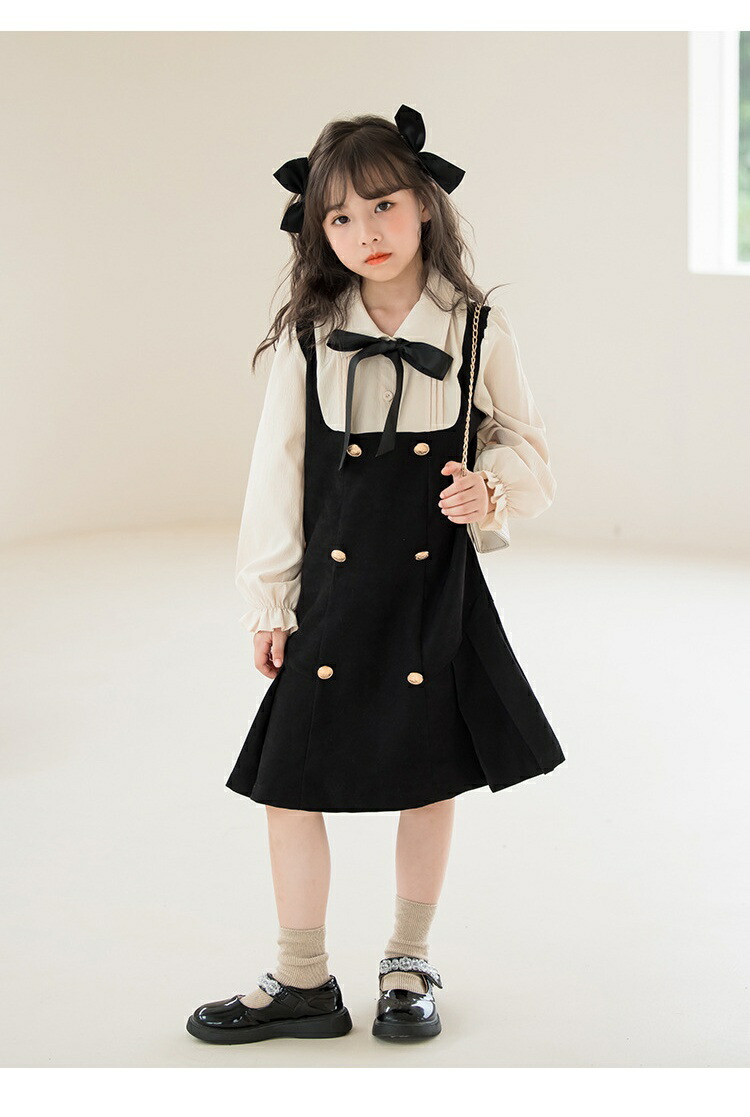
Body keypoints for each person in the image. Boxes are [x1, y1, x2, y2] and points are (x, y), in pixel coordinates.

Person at [186, 104, 565, 1047]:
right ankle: (302, 978)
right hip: (334, 593)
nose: (367, 232)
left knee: (428, 777)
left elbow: (528, 447)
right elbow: (277, 473)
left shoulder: (478, 327)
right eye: (342, 217)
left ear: (426, 203)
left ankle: (408, 962)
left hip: (434, 591)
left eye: (385, 205)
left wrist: (490, 489)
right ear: (319, 230)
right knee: (287, 783)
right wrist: (269, 602)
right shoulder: (311, 334)